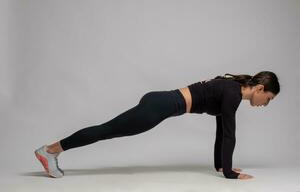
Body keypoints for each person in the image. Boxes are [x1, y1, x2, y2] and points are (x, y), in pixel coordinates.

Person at [34, 71, 280, 180]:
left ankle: (52, 151)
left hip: (161, 101)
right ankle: (51, 150)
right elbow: (229, 135)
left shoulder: (230, 90)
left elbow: (221, 132)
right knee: (105, 130)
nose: (264, 104)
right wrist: (230, 174)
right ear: (260, 89)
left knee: (107, 130)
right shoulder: (233, 93)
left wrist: (220, 166)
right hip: (160, 107)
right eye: (267, 99)